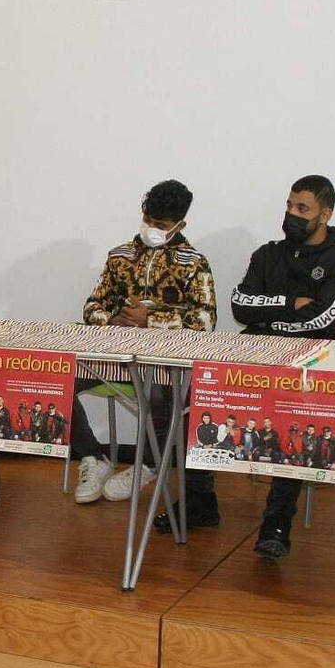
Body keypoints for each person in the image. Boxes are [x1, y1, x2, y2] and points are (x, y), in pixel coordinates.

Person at [222, 175, 335, 557]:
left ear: (325, 213)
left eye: (302, 209)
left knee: (293, 417)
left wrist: (269, 318)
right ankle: (198, 499)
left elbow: (325, 321)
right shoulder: (267, 254)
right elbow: (239, 305)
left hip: (312, 360)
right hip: (260, 354)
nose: (292, 215)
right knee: (202, 392)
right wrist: (291, 302)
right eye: (289, 206)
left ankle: (277, 520)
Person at [66, 180, 218, 506]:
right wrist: (112, 319)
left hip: (164, 360)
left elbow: (205, 322)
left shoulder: (194, 263)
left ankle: (147, 465)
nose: (151, 228)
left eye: (160, 225)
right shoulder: (120, 256)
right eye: (148, 220)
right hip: (114, 354)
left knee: (163, 394)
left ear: (180, 225)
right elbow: (92, 306)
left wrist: (151, 321)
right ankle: (94, 457)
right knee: (58, 379)